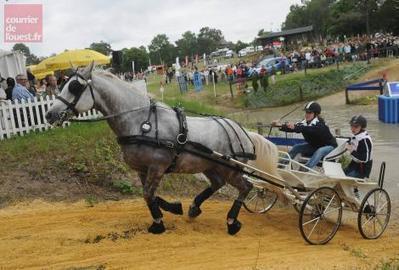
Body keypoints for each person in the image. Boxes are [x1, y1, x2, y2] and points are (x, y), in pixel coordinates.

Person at [272, 101, 337, 169]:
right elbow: (295, 128)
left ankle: (305, 169)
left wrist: (295, 127)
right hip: (314, 146)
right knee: (296, 147)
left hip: (329, 146)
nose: (307, 114)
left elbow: (309, 129)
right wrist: (278, 125)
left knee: (320, 151)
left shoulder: (320, 124)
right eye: (306, 112)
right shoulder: (304, 123)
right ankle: (280, 166)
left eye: (310, 112)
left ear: (316, 114)